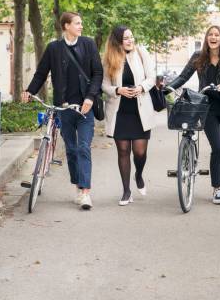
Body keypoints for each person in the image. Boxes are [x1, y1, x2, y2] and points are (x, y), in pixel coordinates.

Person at [22, 12, 103, 210]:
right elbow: (41, 73)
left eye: (81, 23)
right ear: (66, 26)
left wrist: (90, 97)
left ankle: (85, 193)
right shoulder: (54, 48)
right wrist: (29, 91)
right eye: (77, 23)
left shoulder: (88, 44)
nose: (81, 26)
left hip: (84, 108)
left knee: (83, 147)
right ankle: (78, 185)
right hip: (63, 107)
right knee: (72, 150)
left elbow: (97, 73)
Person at [167, 25, 220, 205]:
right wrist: (169, 87)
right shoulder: (198, 57)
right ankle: (216, 189)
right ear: (207, 38)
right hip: (207, 108)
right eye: (210, 35)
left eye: (217, 35)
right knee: (218, 148)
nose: (213, 37)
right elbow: (183, 77)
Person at [102, 25, 156, 206]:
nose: (130, 40)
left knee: (139, 152)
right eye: (126, 38)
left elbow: (152, 77)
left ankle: (139, 174)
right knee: (123, 151)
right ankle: (126, 191)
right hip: (120, 112)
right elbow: (104, 85)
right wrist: (118, 90)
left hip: (140, 110)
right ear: (118, 41)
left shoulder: (141, 53)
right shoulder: (109, 59)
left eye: (131, 37)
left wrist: (141, 88)